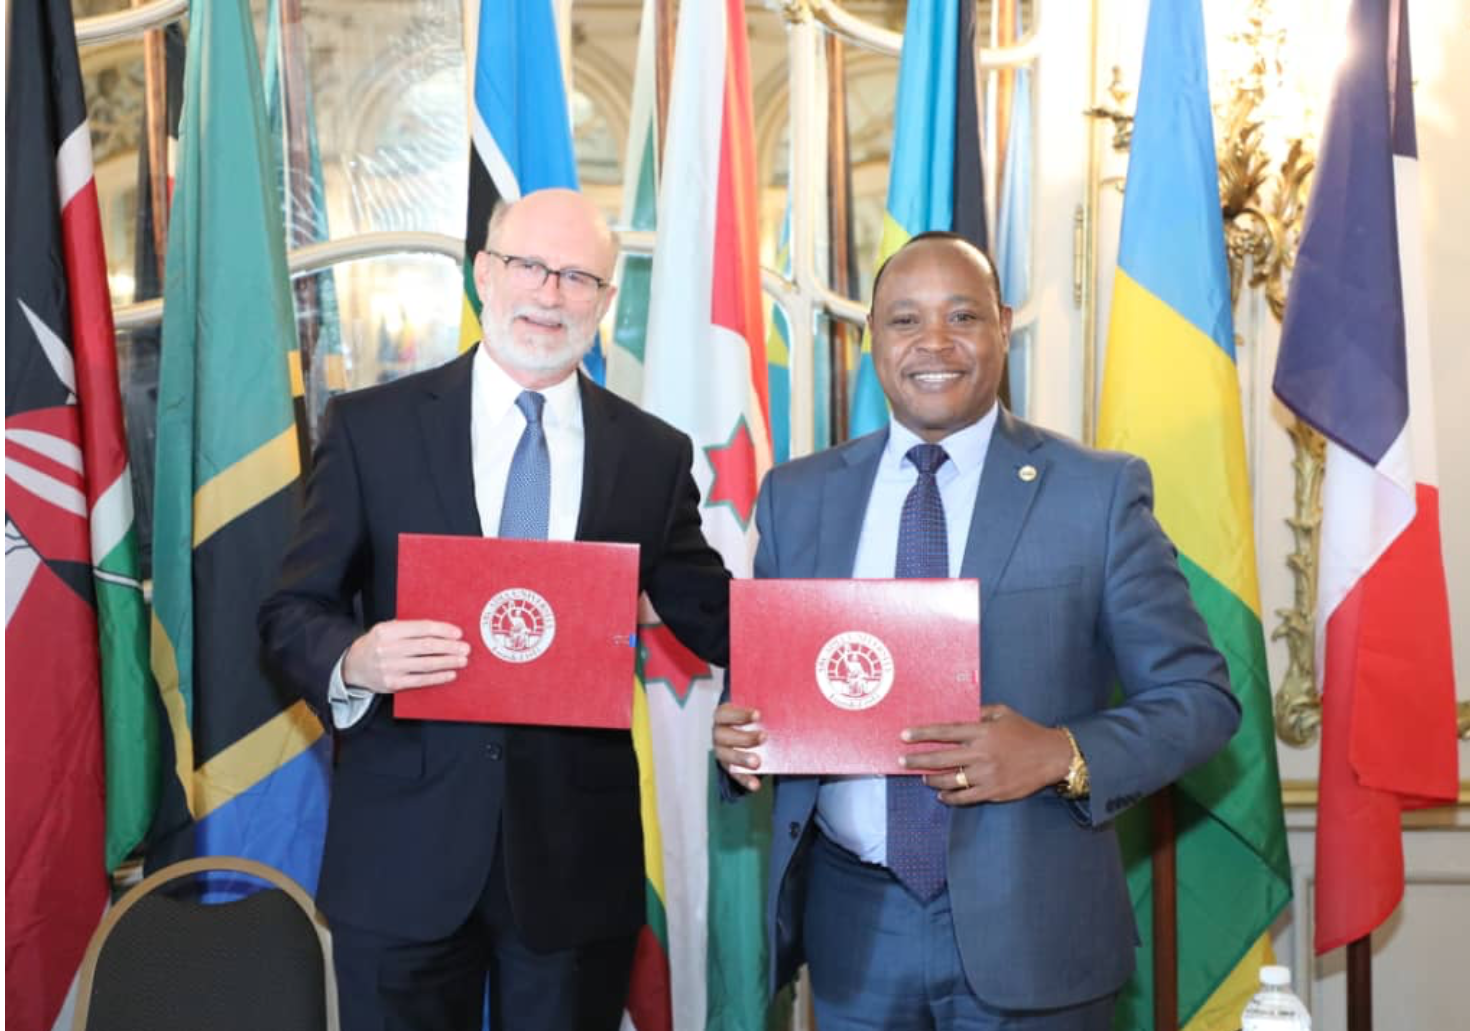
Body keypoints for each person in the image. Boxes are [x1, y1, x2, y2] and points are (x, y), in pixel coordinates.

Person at [712, 231, 1241, 1030]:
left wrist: (1061, 752)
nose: (933, 342)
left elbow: (1200, 700)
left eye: (961, 315)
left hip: (1038, 925)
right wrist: (738, 736)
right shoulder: (798, 496)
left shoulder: (1095, 492)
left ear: (1000, 328)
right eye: (903, 320)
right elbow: (770, 688)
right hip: (853, 931)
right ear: (870, 342)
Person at [259, 188, 730, 1031]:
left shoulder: (652, 455)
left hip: (573, 864)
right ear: (484, 273)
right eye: (530, 267)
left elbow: (714, 612)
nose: (550, 294)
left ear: (605, 301)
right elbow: (292, 609)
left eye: (578, 277)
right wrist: (356, 659)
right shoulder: (373, 427)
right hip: (402, 855)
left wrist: (858, 643)